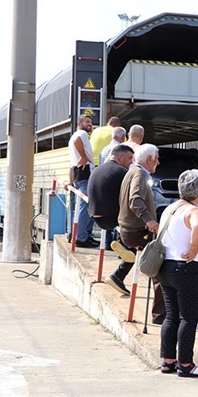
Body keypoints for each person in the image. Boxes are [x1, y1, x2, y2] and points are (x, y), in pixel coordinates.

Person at [158, 169, 198, 378]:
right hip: (187, 269)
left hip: (166, 268)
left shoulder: (169, 209)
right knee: (188, 318)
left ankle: (168, 361)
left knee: (171, 316)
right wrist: (193, 247)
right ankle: (186, 364)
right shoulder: (195, 211)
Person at [118, 144, 166, 324]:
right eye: (157, 158)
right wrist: (149, 220)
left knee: (157, 268)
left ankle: (161, 313)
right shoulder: (138, 174)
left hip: (130, 229)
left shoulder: (132, 172)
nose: (158, 162)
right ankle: (160, 315)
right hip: (136, 231)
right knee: (160, 268)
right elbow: (135, 200)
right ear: (149, 160)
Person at [88, 145, 136, 295]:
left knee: (134, 241)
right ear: (120, 157)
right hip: (111, 217)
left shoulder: (98, 169)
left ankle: (123, 246)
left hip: (96, 216)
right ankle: (119, 273)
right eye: (129, 159)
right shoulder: (122, 172)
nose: (131, 162)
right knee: (141, 237)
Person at [67, 115, 97, 248]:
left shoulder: (75, 135)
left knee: (81, 205)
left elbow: (71, 163)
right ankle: (81, 238)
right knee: (85, 206)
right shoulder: (81, 134)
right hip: (84, 171)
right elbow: (77, 141)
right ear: (80, 123)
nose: (90, 124)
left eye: (90, 122)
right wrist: (84, 157)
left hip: (78, 171)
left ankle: (78, 235)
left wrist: (70, 180)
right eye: (87, 122)